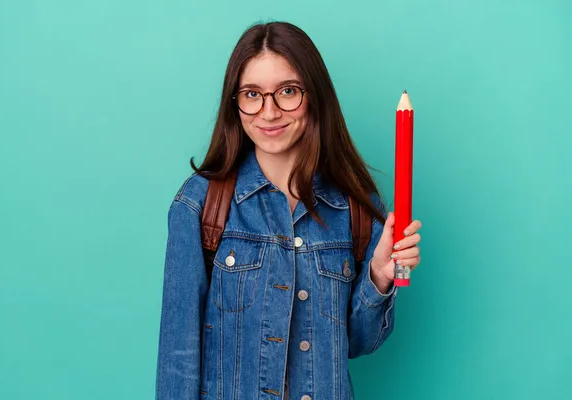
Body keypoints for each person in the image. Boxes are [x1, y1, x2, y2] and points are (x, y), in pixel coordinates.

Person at [156, 21, 423, 400]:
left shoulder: (356, 207)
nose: (269, 112)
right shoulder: (199, 205)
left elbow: (359, 342)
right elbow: (177, 357)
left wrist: (380, 277)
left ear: (314, 95)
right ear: (235, 103)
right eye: (252, 94)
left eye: (287, 91)